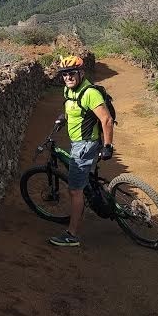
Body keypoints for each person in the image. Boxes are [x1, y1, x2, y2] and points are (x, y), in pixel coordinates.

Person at [49, 54, 114, 247]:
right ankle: (95, 194)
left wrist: (108, 146)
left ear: (81, 73)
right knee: (85, 181)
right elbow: (72, 109)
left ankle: (72, 235)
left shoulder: (89, 93)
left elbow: (107, 120)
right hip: (77, 142)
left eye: (71, 73)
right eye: (64, 74)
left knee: (75, 190)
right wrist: (64, 118)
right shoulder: (69, 91)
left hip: (86, 145)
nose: (67, 77)